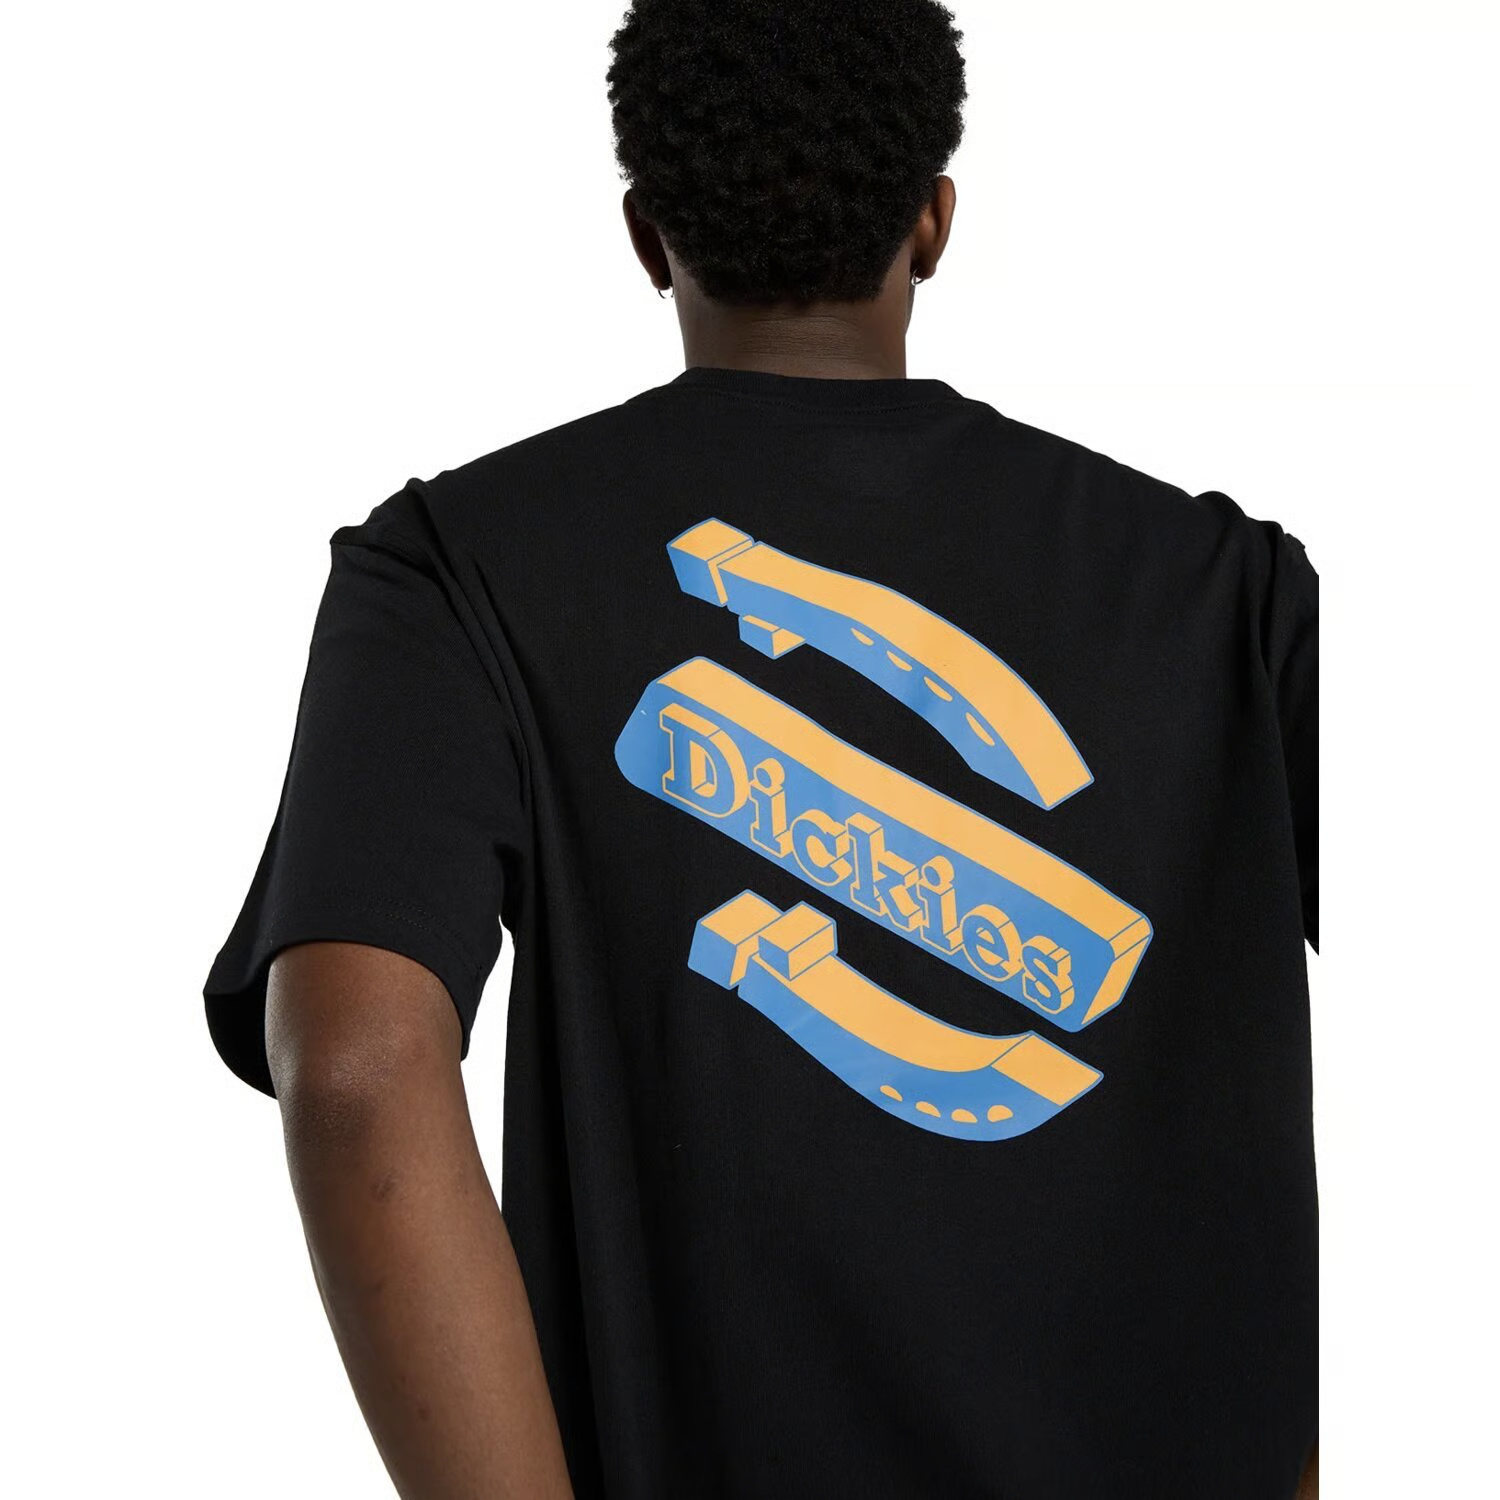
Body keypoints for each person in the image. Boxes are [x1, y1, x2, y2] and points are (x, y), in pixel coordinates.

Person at [202, 2, 1318, 1496]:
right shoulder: (1232, 595)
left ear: (647, 236)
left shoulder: (457, 570)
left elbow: (352, 1073)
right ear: (933, 221)